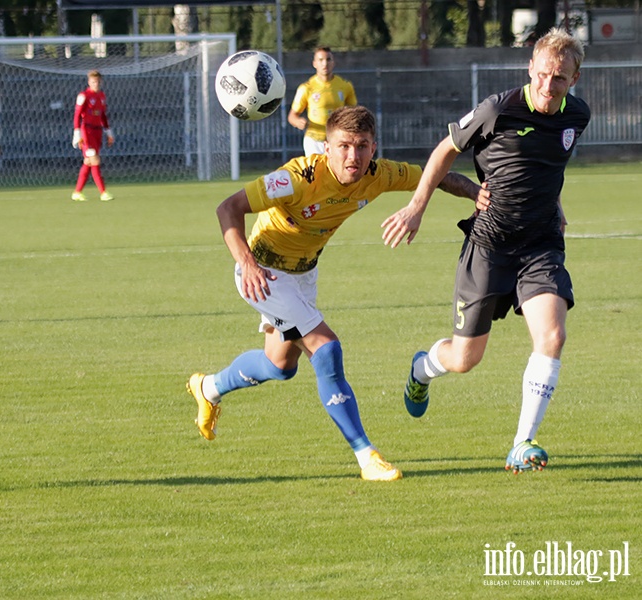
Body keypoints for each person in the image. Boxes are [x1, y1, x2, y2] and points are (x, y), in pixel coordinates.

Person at [187, 105, 487, 481]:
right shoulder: (296, 178)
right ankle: (367, 457)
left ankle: (208, 386)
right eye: (343, 146)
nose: (353, 156)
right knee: (326, 347)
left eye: (362, 146)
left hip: (303, 274)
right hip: (262, 272)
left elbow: (437, 175)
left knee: (280, 366)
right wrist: (246, 263)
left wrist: (478, 194)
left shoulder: (378, 175)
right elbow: (228, 208)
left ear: (373, 148)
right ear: (325, 148)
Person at [380, 29, 590, 475]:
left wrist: (554, 203)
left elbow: (547, 166)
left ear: (575, 78)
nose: (549, 87)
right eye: (544, 75)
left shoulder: (578, 116)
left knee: (552, 336)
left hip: (540, 245)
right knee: (465, 359)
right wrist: (416, 207)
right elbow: (444, 151)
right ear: (530, 68)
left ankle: (522, 442)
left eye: (560, 79)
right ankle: (422, 369)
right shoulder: (498, 109)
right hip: (489, 245)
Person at [287, 47, 357, 157]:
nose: (325, 64)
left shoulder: (345, 86)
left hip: (337, 139)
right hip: (314, 140)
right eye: (320, 60)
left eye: (328, 59)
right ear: (314, 63)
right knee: (317, 173)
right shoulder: (307, 88)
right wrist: (298, 122)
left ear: (333, 62)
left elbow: (354, 113)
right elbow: (292, 116)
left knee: (336, 173)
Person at [71, 69, 115, 202]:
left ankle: (77, 193)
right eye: (93, 81)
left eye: (97, 81)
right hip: (87, 131)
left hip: (97, 131)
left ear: (100, 82)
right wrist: (77, 133)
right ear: (89, 82)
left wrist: (108, 132)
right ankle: (103, 192)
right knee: (95, 160)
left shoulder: (101, 96)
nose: (95, 84)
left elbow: (102, 115)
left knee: (88, 162)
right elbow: (77, 115)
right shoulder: (83, 96)